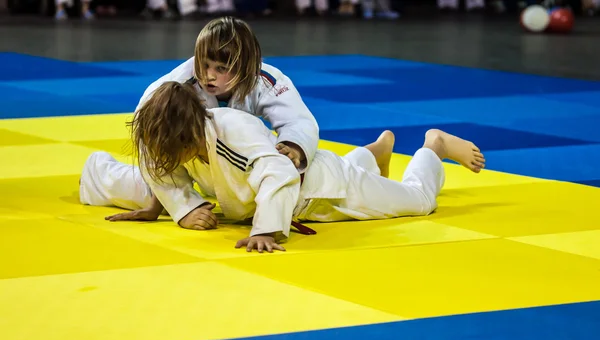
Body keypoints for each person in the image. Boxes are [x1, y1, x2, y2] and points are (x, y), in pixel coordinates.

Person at [80, 81, 486, 253]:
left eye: (171, 147)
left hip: (325, 190)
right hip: (316, 183)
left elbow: (279, 174)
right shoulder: (176, 138)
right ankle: (370, 155)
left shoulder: (231, 131)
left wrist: (265, 230)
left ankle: (432, 147)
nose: (163, 156)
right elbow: (156, 165)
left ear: (189, 132)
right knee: (359, 170)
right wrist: (181, 209)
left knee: (418, 203)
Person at [98, 16, 319, 223]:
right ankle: (97, 174)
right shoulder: (176, 86)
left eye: (221, 68)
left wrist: (294, 146)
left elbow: (298, 120)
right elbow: (151, 136)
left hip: (236, 167)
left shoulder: (266, 80)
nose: (209, 75)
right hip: (192, 164)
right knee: (147, 192)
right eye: (203, 64)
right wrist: (184, 208)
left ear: (245, 67)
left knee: (292, 182)